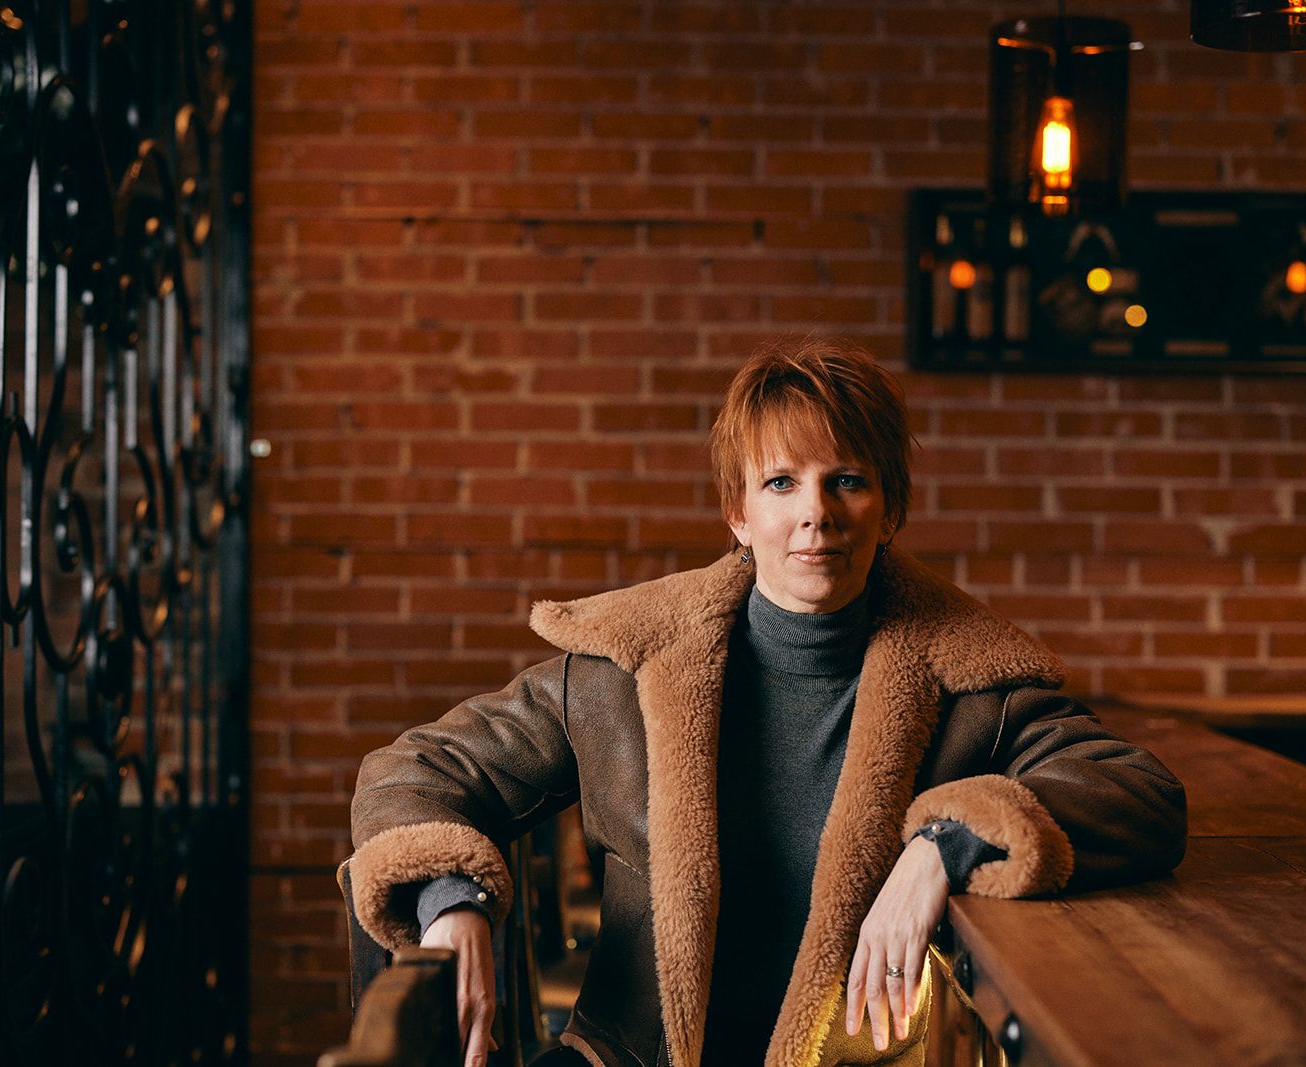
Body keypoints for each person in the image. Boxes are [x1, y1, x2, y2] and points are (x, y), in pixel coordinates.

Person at [341, 337, 1186, 1067]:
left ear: (890, 506)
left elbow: (1140, 790)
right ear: (737, 512)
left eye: (846, 479)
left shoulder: (969, 681)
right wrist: (452, 901)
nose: (816, 513)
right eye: (781, 482)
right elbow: (416, 769)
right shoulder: (627, 668)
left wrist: (945, 845)